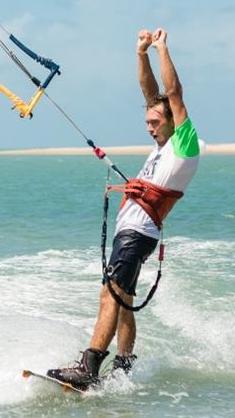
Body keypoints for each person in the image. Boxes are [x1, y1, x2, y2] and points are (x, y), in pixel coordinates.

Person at [47, 28, 201, 389]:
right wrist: (140, 54)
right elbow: (152, 94)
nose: (148, 128)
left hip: (138, 234)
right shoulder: (163, 145)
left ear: (172, 122)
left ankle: (89, 367)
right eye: (147, 122)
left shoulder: (184, 144)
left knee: (109, 295)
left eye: (154, 122)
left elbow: (172, 94)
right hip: (131, 233)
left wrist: (163, 48)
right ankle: (124, 366)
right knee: (125, 298)